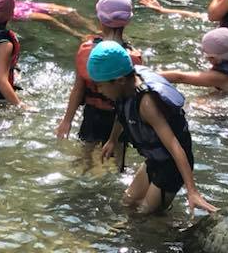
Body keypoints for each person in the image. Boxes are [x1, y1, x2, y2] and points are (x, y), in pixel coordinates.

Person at [87, 41, 217, 215]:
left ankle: (169, 230)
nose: (98, 90)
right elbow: (122, 114)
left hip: (172, 165)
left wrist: (192, 192)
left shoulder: (146, 104)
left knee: (144, 214)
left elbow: (175, 147)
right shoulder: (124, 89)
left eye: (101, 85)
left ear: (119, 81)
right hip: (155, 160)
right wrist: (112, 140)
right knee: (128, 201)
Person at [55, 0, 143, 143]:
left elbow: (78, 89)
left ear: (100, 20)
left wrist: (67, 121)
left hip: (92, 115)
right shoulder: (132, 57)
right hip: (119, 119)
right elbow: (131, 100)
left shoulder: (87, 51)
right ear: (128, 21)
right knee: (117, 157)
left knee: (85, 156)